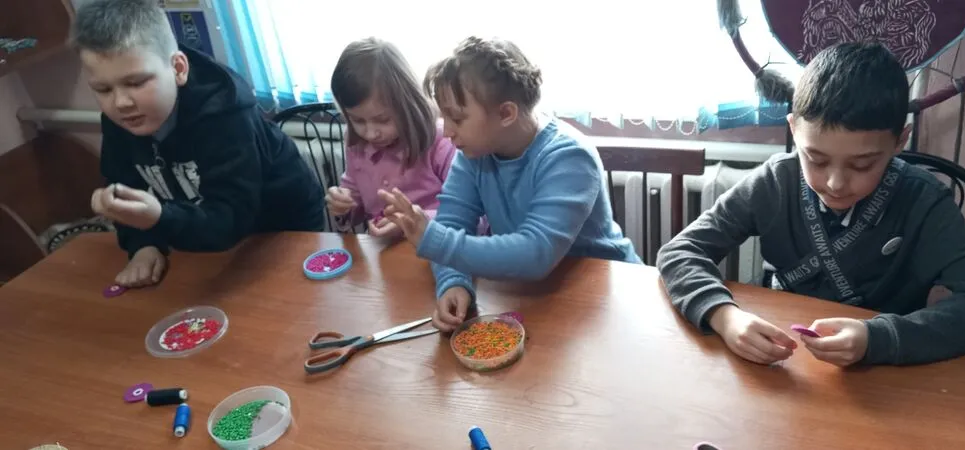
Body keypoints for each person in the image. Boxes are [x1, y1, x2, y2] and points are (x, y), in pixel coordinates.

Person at [657, 42, 965, 367]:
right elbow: (681, 251)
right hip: (781, 355)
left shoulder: (923, 201)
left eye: (862, 165)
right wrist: (724, 315)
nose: (835, 183)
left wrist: (877, 338)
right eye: (815, 159)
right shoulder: (775, 182)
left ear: (900, 141)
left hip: (881, 375)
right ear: (794, 129)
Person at [380, 36, 641, 332]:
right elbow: (453, 223)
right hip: (537, 295)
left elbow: (535, 253)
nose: (447, 131)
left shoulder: (569, 157)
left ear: (506, 113)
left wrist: (435, 241)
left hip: (606, 296)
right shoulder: (475, 152)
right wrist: (454, 281)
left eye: (457, 118)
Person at [75, 0, 324, 288]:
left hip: (284, 227)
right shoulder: (121, 119)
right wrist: (143, 244)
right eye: (103, 89)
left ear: (178, 68)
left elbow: (230, 220)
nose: (120, 102)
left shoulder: (226, 116)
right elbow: (124, 187)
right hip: (209, 233)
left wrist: (159, 218)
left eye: (136, 83)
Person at [324, 37, 473, 239]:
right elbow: (353, 199)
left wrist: (413, 221)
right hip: (383, 250)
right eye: (357, 120)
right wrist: (343, 204)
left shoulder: (440, 140)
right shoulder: (357, 144)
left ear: (407, 104)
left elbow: (470, 214)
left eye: (382, 120)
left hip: (436, 249)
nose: (370, 133)